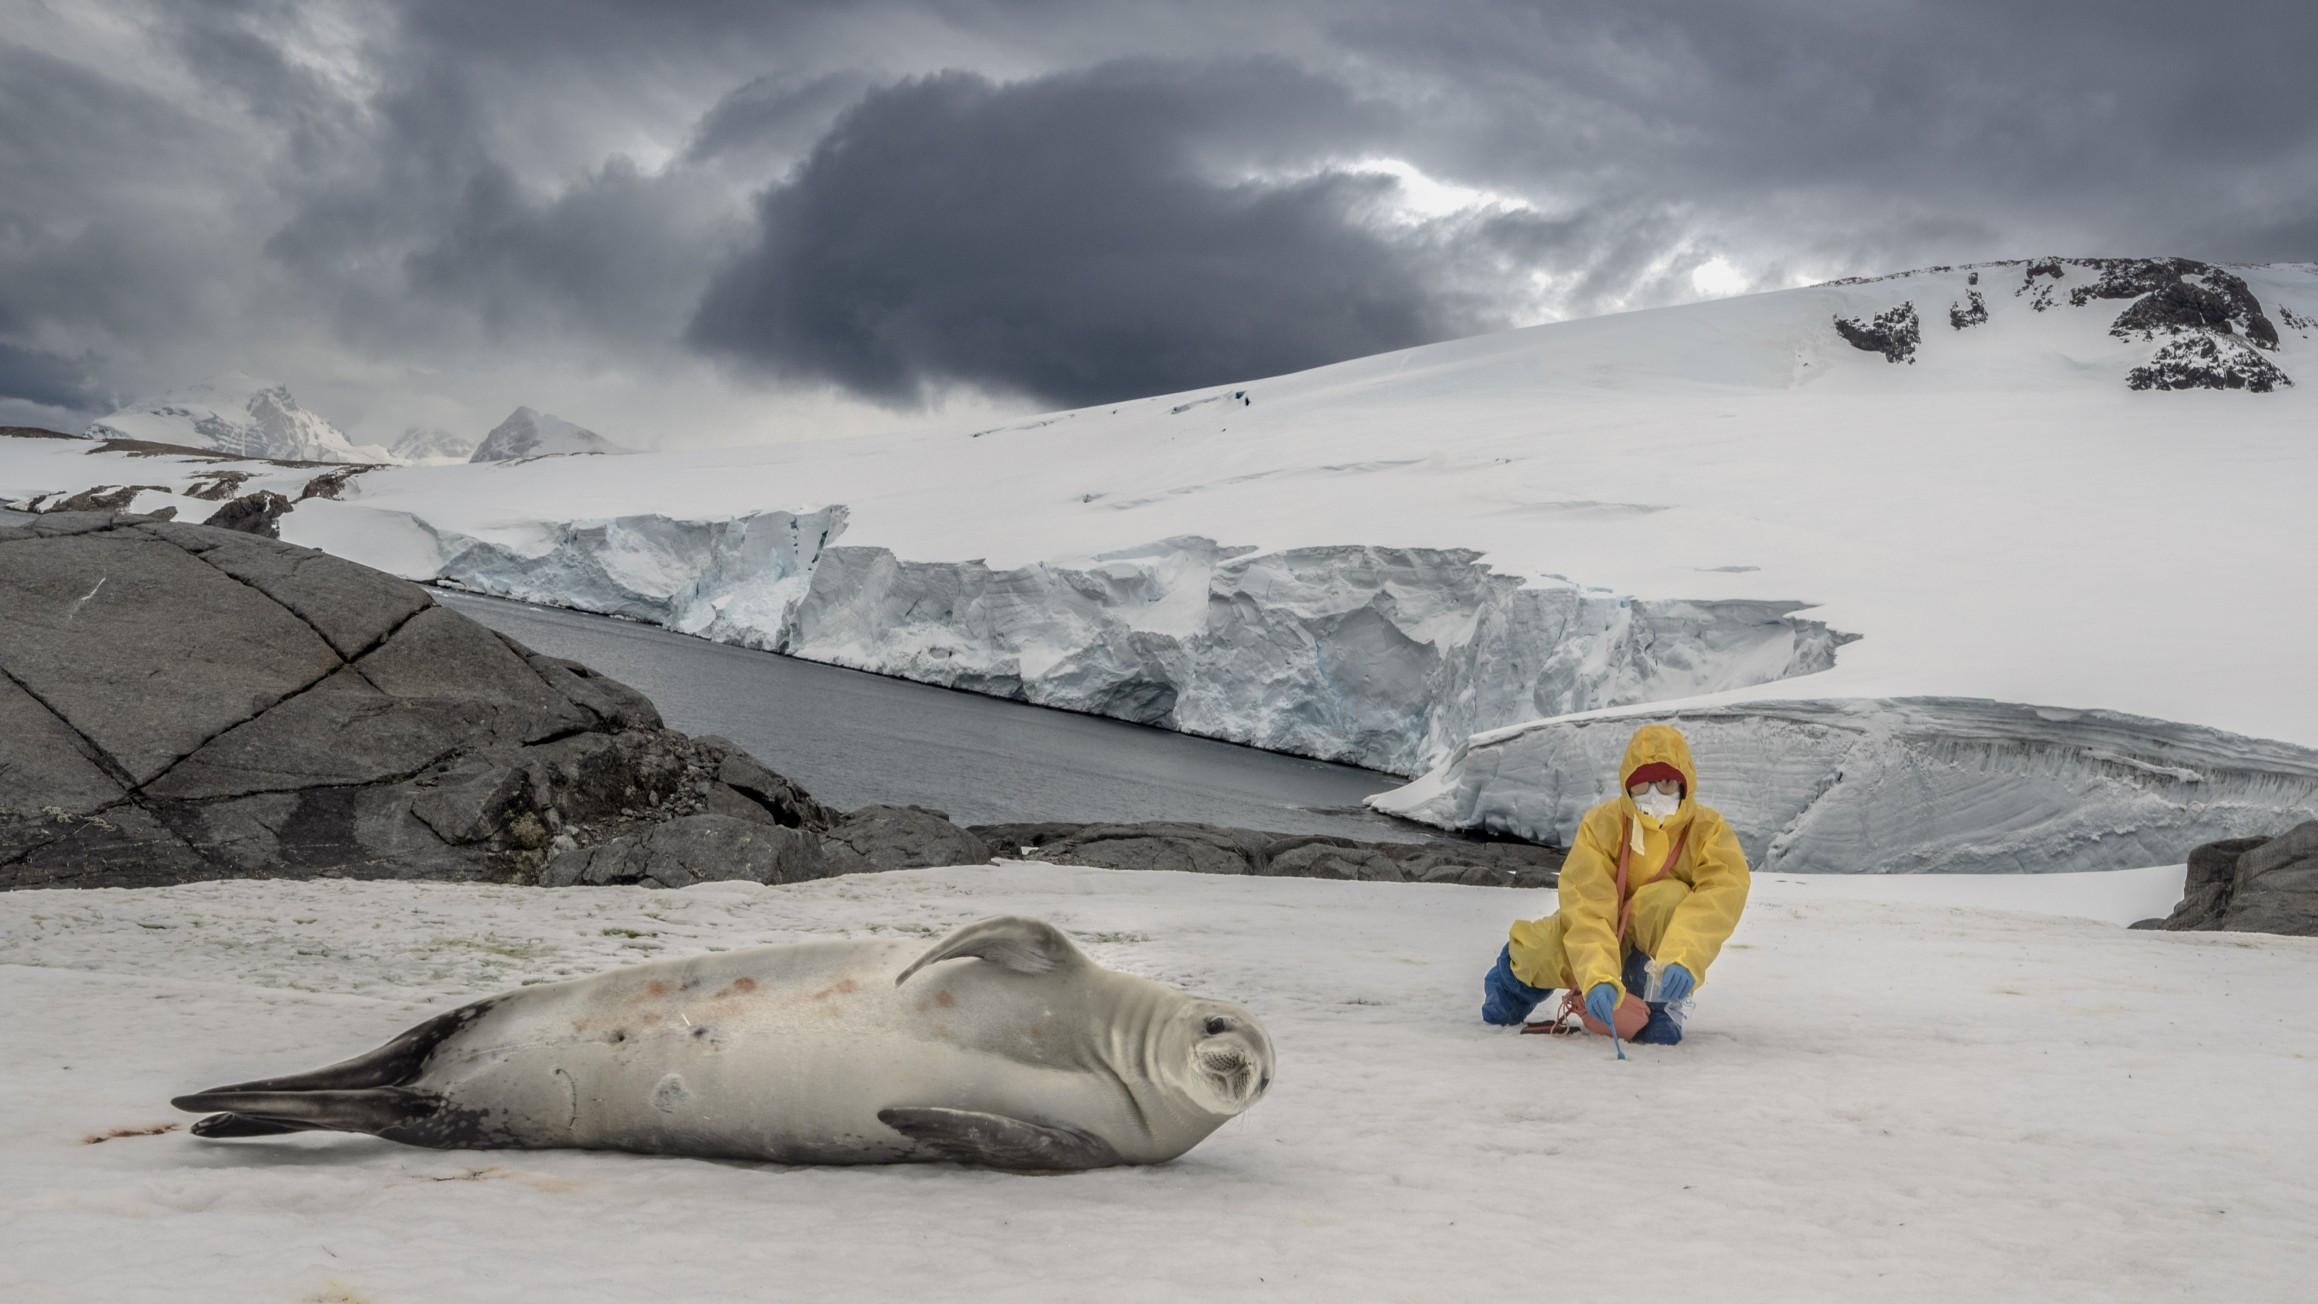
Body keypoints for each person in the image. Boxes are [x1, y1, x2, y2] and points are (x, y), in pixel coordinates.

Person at [1479, 722, 1750, 1045]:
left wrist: (1683, 957)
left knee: (1669, 898)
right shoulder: (1602, 825)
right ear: (1627, 787)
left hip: (1654, 945)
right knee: (1543, 949)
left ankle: (1658, 1004)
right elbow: (1586, 906)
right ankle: (1511, 985)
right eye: (1643, 785)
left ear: (1683, 782)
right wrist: (1598, 977)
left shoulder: (1709, 830)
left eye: (1665, 783)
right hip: (1603, 932)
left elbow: (1719, 896)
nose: (1654, 794)